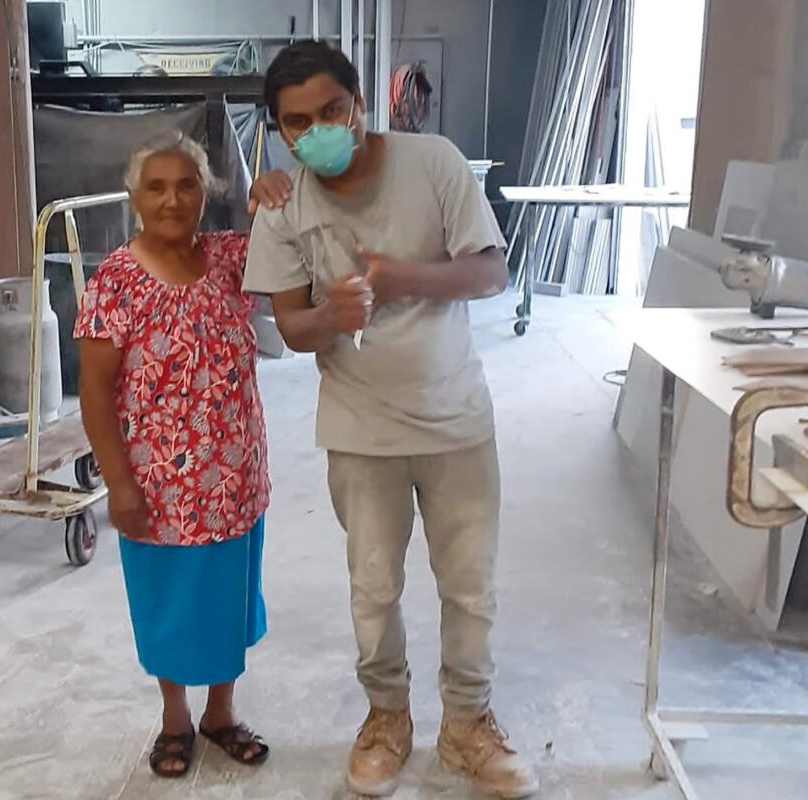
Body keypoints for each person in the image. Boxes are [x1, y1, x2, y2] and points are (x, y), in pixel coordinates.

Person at [243, 42, 539, 799]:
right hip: (359, 429)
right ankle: (387, 719)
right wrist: (330, 315)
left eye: (331, 112)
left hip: (455, 420)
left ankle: (469, 725)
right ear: (279, 132)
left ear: (361, 104)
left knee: (470, 587)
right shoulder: (282, 205)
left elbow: (491, 270)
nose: (317, 133)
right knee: (373, 590)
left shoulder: (434, 162)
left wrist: (403, 277)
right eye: (296, 123)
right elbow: (287, 327)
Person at [76, 134, 284, 779]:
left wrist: (274, 196)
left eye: (187, 184)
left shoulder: (229, 259)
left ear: (207, 194)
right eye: (157, 186)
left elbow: (298, 248)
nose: (172, 198)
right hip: (158, 485)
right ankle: (175, 719)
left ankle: (221, 713)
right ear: (135, 197)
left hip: (234, 477)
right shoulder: (116, 280)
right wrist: (118, 483)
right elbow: (94, 391)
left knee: (229, 600)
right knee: (168, 606)